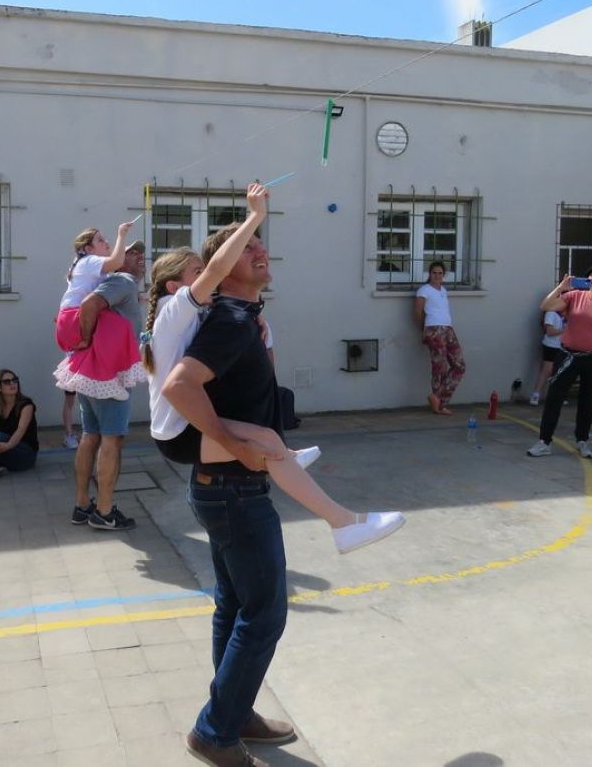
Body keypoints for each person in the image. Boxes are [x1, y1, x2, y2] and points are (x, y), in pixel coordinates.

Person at [144, 184, 403, 555]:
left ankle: (297, 467)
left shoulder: (196, 314)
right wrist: (256, 215)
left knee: (269, 439)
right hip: (178, 431)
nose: (208, 279)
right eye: (198, 273)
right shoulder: (175, 310)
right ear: (174, 284)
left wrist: (257, 323)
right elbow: (220, 268)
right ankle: (342, 522)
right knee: (265, 442)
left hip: (182, 426)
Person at [156, 225, 299, 766]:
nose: (261, 250)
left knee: (236, 605)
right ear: (227, 266)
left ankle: (235, 713)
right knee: (264, 614)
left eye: (263, 242)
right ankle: (214, 732)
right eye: (248, 247)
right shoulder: (231, 319)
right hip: (234, 491)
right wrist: (233, 444)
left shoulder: (244, 321)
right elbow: (178, 386)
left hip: (224, 488)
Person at [64, 240, 147, 531]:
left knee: (91, 436)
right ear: (115, 259)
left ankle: (83, 504)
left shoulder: (120, 284)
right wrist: (85, 337)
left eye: (142, 253)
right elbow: (89, 304)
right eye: (132, 252)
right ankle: (104, 510)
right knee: (112, 439)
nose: (139, 257)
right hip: (109, 375)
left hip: (92, 372)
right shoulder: (122, 281)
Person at [527, 266, 592, 460]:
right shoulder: (574, 296)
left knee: (588, 401)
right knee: (554, 397)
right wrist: (561, 287)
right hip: (568, 355)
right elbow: (546, 306)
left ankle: (582, 440)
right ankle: (544, 441)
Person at [54, 221, 136, 448]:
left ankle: (106, 382)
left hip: (68, 320)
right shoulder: (89, 261)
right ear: (88, 249)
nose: (106, 242)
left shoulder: (85, 264)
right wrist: (122, 233)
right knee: (120, 327)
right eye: (101, 240)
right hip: (74, 318)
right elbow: (117, 262)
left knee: (104, 342)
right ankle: (113, 384)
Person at [414, 261, 465, 415]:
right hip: (433, 329)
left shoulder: (443, 290)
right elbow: (417, 312)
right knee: (439, 367)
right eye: (434, 273)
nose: (437, 276)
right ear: (429, 274)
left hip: (448, 328)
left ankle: (438, 397)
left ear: (444, 275)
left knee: (459, 365)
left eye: (440, 273)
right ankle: (439, 405)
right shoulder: (424, 290)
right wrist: (423, 329)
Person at [530, 309, 565, 406]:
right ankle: (536, 395)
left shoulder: (564, 314)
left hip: (562, 346)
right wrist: (565, 330)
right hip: (551, 345)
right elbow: (549, 331)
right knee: (547, 370)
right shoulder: (551, 313)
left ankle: (556, 397)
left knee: (559, 372)